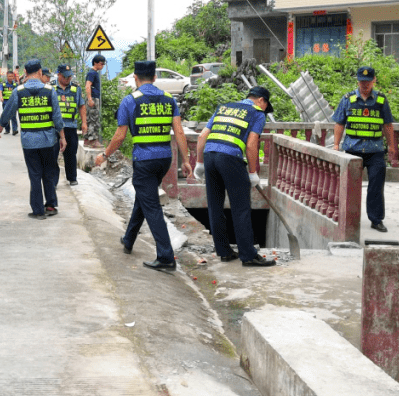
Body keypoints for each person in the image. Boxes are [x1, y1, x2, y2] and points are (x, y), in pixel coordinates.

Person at [94, 60, 192, 272]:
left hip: (145, 160)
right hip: (165, 159)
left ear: (135, 79)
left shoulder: (130, 101)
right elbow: (180, 132)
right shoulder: (168, 99)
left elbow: (120, 136)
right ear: (155, 78)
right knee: (144, 197)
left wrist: (104, 154)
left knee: (152, 206)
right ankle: (128, 239)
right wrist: (185, 160)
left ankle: (166, 257)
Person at [194, 86, 276, 267]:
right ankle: (248, 255)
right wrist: (253, 172)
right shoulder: (257, 113)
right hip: (230, 159)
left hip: (210, 156)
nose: (265, 111)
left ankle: (224, 252)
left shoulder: (224, 108)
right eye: (265, 106)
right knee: (241, 208)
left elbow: (202, 136)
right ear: (261, 100)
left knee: (215, 207)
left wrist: (199, 163)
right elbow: (252, 144)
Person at [0, 59, 66, 219]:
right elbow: (57, 117)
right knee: (48, 173)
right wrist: (62, 136)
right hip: (48, 140)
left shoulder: (18, 91)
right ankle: (50, 206)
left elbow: (8, 111)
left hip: (29, 142)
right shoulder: (50, 90)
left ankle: (37, 211)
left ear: (25, 74)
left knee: (35, 174)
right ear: (40, 72)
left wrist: (1, 125)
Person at [332, 65, 398, 232]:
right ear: (357, 81)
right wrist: (336, 144)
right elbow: (339, 123)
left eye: (368, 81)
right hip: (352, 150)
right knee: (349, 187)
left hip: (375, 150)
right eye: (362, 81)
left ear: (374, 81)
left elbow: (388, 125)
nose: (365, 85)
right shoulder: (347, 99)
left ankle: (376, 220)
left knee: (376, 186)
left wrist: (391, 146)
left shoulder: (381, 100)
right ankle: (347, 219)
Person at [55, 64, 88, 186]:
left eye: (69, 77)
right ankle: (53, 180)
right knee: (52, 154)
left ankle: (72, 177)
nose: (67, 79)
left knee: (70, 153)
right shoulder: (52, 88)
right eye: (65, 76)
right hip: (55, 127)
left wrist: (84, 123)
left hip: (71, 125)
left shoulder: (75, 89)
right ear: (58, 74)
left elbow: (81, 105)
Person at [84, 54, 106, 147]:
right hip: (92, 98)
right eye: (101, 63)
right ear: (95, 63)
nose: (102, 65)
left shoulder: (94, 73)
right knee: (93, 119)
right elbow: (88, 85)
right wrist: (90, 99)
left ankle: (87, 139)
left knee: (90, 118)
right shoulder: (92, 73)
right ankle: (93, 140)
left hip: (93, 97)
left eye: (103, 64)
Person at [0, 70, 19, 135]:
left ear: (13, 77)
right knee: (6, 115)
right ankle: (7, 130)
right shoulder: (3, 84)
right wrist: (1, 97)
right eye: (9, 76)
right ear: (7, 76)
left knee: (13, 116)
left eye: (12, 76)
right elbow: (0, 91)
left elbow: (18, 93)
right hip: (5, 103)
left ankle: (15, 130)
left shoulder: (15, 84)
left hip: (13, 103)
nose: (10, 77)